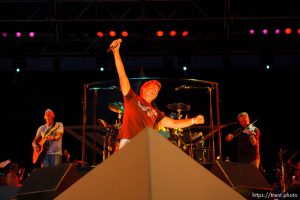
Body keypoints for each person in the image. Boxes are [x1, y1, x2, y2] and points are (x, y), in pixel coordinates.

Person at [109, 38, 205, 150]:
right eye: (153, 87)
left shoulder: (156, 112)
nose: (155, 90)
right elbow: (122, 75)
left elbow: (173, 123)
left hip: (144, 146)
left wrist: (193, 120)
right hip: (128, 142)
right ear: (143, 89)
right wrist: (116, 52)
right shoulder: (131, 98)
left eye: (157, 90)